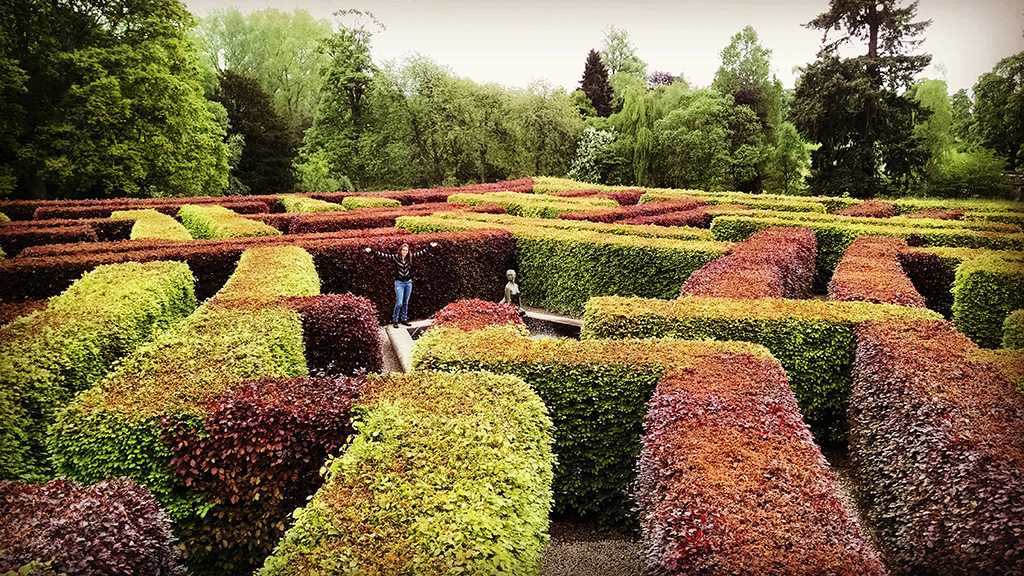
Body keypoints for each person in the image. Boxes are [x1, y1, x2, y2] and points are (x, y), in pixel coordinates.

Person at [365, 241, 438, 328]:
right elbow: (383, 255)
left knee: (405, 302)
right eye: (403, 250)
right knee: (399, 303)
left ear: (408, 251)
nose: (404, 252)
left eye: (406, 250)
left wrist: (430, 247)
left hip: (408, 283)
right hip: (399, 283)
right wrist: (371, 251)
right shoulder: (395, 258)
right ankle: (395, 320)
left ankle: (404, 320)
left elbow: (421, 253)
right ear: (400, 251)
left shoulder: (409, 257)